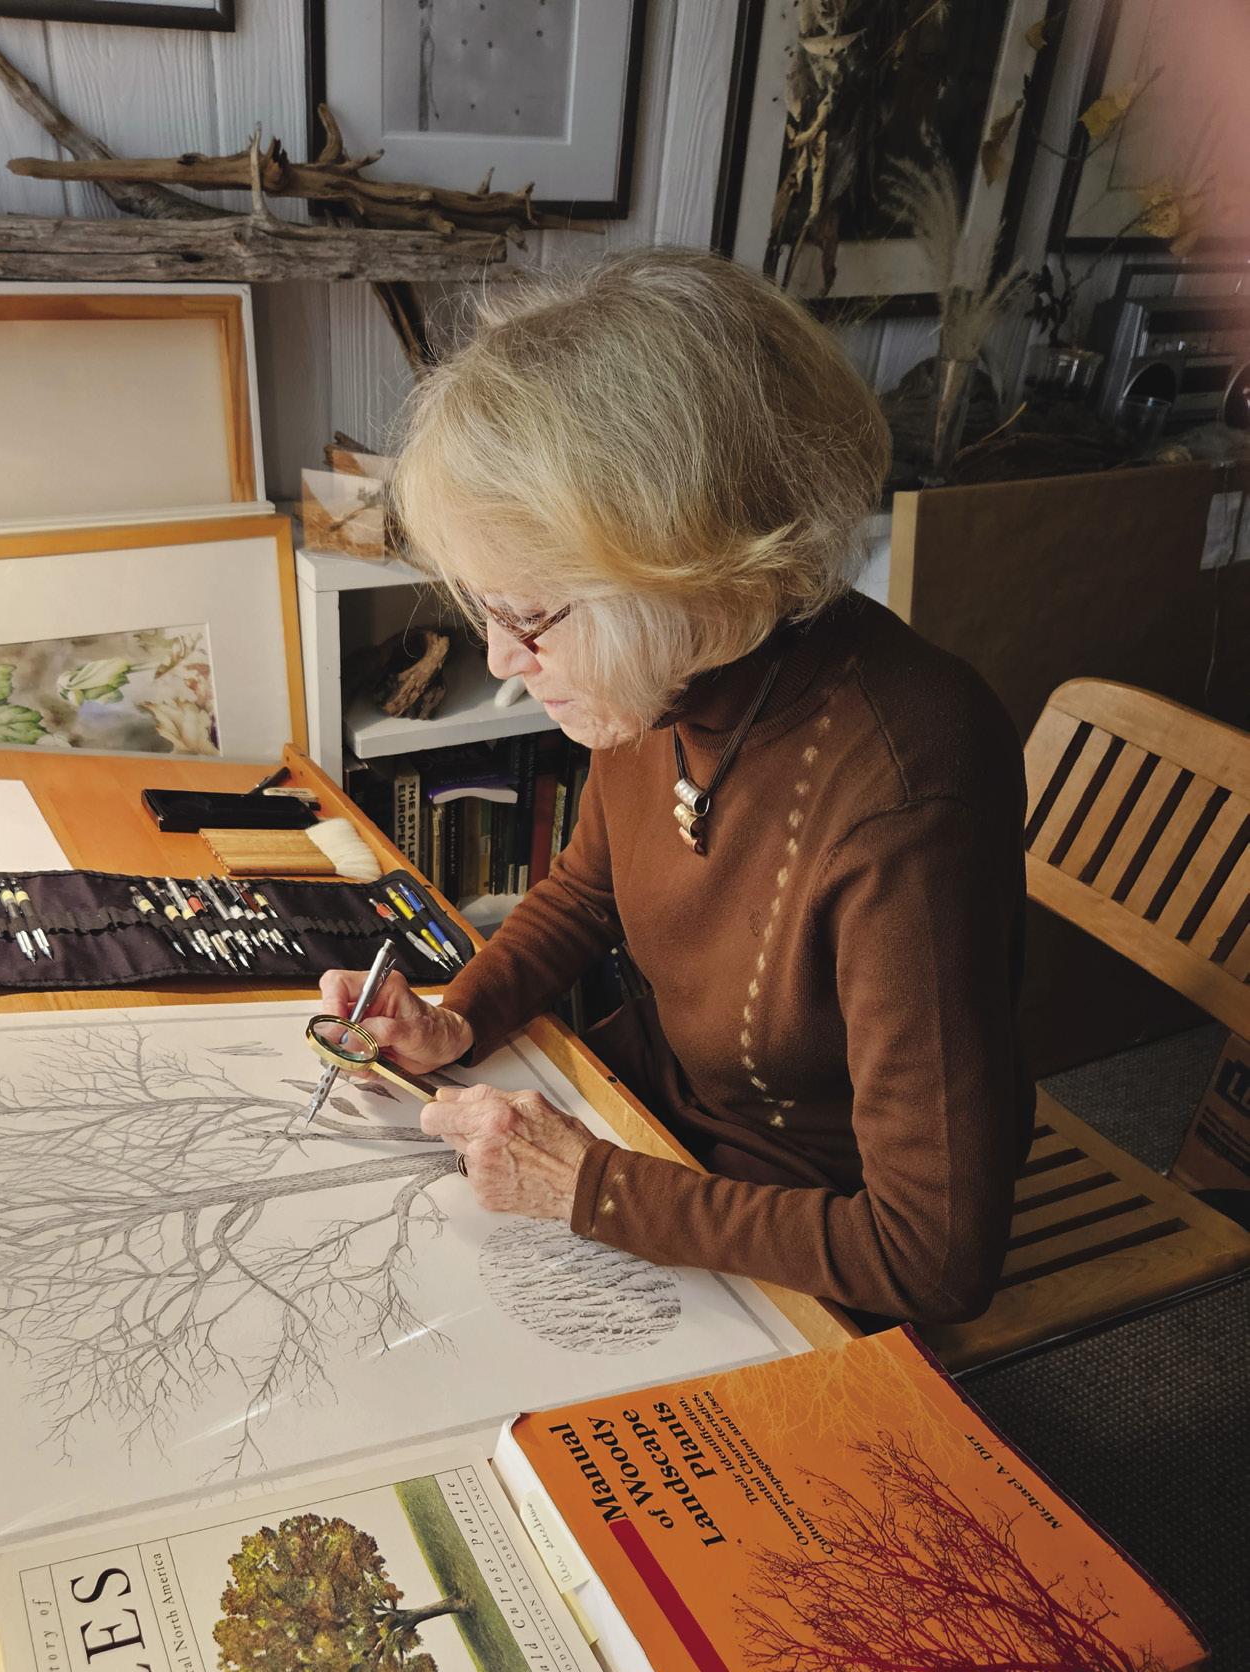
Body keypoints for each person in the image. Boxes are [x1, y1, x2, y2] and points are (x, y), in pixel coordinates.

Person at [319, 248, 1031, 1329]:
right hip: (658, 1120)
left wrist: (589, 1188)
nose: (501, 659)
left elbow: (932, 1256)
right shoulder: (662, 676)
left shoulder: (904, 794)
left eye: (529, 617)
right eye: (488, 612)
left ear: (690, 570)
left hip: (808, 1222)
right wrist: (457, 1019)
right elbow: (586, 891)